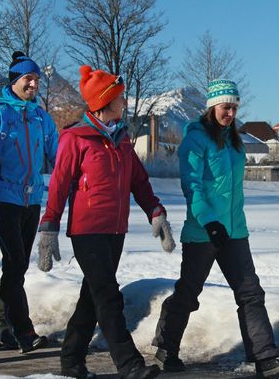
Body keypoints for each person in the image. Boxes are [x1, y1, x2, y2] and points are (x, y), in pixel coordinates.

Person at [37, 65, 175, 379]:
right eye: (119, 98)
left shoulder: (123, 140)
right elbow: (58, 184)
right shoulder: (76, 138)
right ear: (104, 102)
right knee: (109, 296)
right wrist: (49, 227)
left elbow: (139, 182)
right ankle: (129, 365)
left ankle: (71, 359)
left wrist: (156, 212)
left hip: (116, 231)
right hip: (86, 231)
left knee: (93, 297)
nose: (124, 103)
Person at [151, 79, 279, 378]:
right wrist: (209, 221)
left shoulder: (234, 141)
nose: (229, 113)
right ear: (212, 107)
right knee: (189, 292)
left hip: (235, 231)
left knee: (250, 292)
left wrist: (229, 224)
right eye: (225, 107)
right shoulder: (196, 139)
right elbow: (192, 185)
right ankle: (166, 348)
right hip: (203, 231)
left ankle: (265, 358)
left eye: (234, 107)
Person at [0, 51, 56, 353]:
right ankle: (24, 332)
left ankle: (0, 331)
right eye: (28, 79)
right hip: (2, 197)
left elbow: (60, 157)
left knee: (14, 267)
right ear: (14, 80)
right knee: (16, 262)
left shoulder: (42, 118)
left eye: (37, 80)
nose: (33, 84)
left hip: (32, 199)